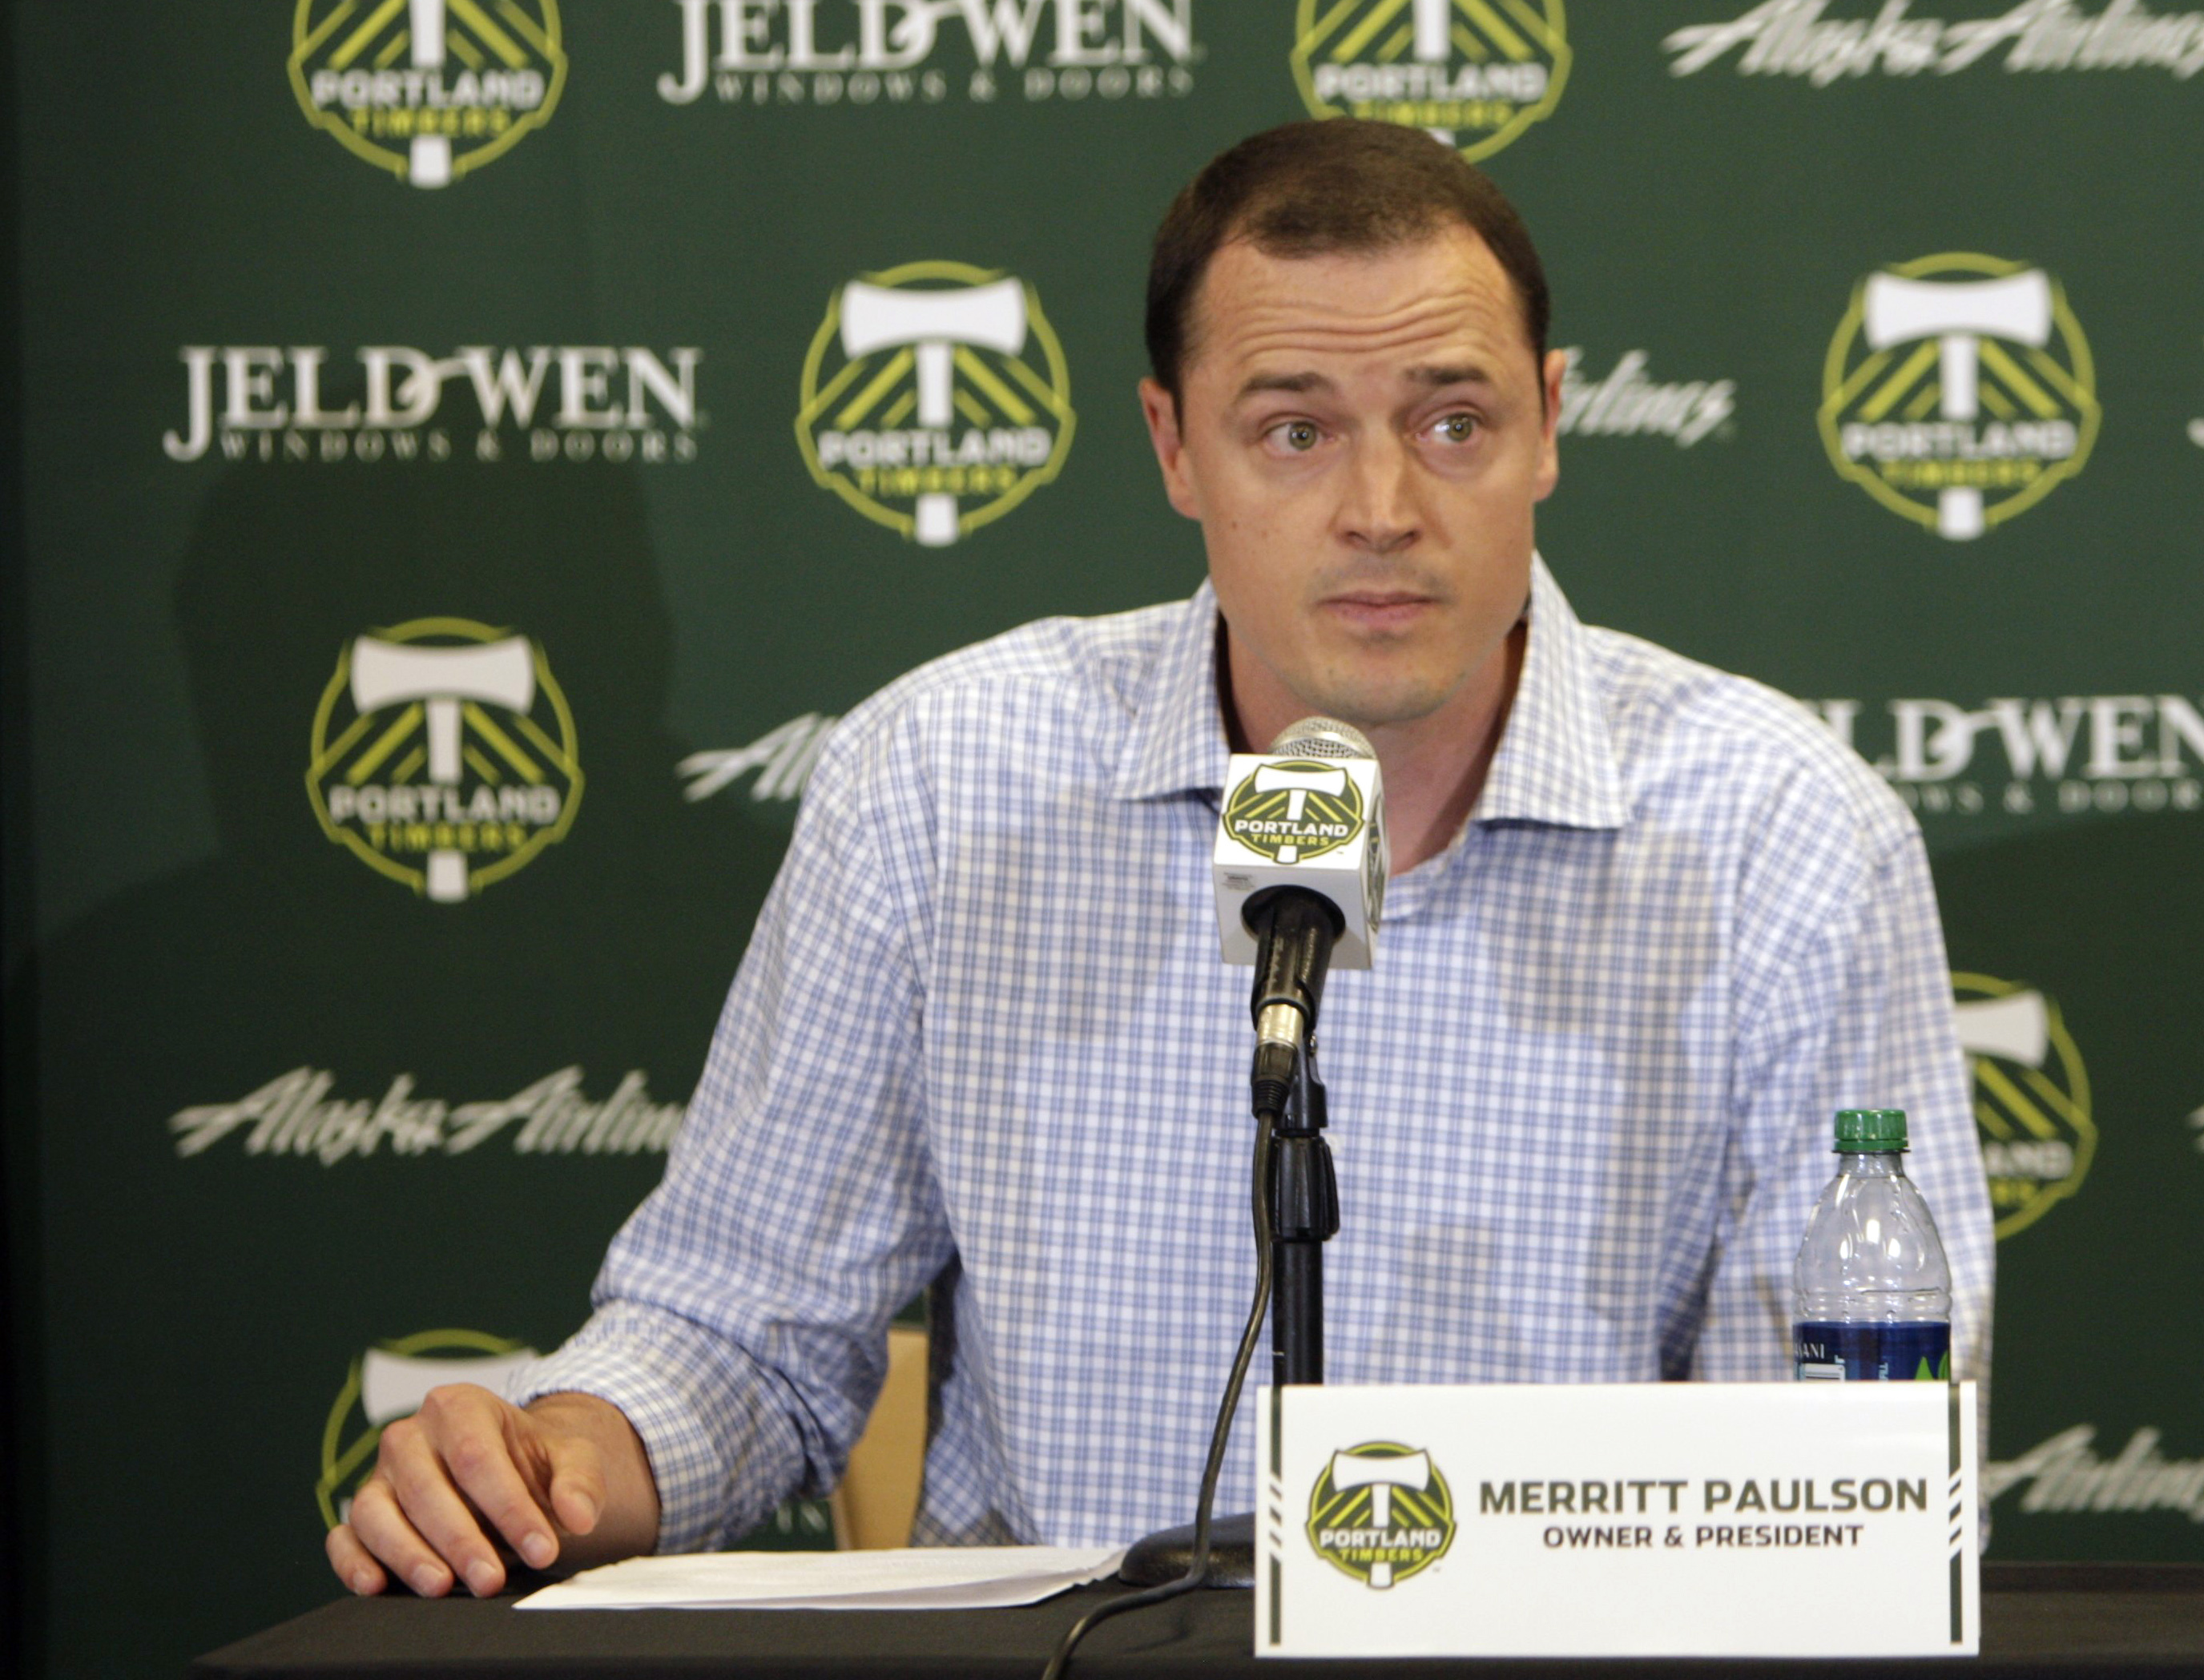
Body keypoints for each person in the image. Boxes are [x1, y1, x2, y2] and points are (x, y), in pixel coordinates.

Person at [326, 121, 1994, 1599]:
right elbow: (741, 1330)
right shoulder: (944, 780)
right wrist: (557, 1459)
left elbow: (1840, 1472)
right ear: (1169, 444)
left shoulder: (1782, 833)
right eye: (1289, 430)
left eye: (1451, 420)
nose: (1378, 505)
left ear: (1549, 424)